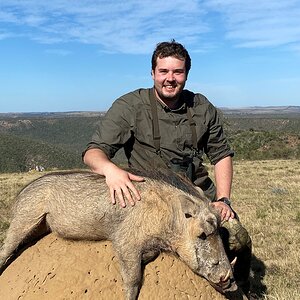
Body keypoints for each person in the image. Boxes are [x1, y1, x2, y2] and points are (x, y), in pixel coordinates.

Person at [83, 40, 252, 296]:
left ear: (186, 74)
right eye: (163, 72)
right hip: (150, 202)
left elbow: (221, 155)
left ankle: (239, 292)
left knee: (238, 236)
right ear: (153, 73)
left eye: (177, 72)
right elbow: (93, 153)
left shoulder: (202, 107)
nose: (170, 79)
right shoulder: (130, 106)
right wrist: (110, 170)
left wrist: (223, 200)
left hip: (196, 197)